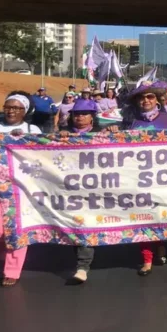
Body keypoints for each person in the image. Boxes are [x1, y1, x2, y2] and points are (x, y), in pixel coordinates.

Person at [115, 81, 167, 275]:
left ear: (157, 100)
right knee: (143, 218)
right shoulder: (130, 120)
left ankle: (159, 244)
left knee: (159, 216)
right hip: (137, 178)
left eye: (150, 96)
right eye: (142, 97)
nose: (146, 100)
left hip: (163, 177)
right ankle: (147, 259)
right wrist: (112, 132)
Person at [0, 91, 41, 286]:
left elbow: (43, 158)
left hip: (20, 189)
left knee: (16, 231)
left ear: (25, 111)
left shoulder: (33, 129)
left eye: (16, 108)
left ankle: (12, 270)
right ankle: (3, 250)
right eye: (8, 107)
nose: (11, 111)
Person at [59, 98, 102, 283]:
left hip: (98, 188)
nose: (79, 117)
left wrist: (115, 133)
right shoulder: (63, 135)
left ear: (92, 117)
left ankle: (83, 266)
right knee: (77, 224)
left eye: (84, 114)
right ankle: (82, 263)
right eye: (76, 114)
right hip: (72, 189)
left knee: (88, 225)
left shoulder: (102, 134)